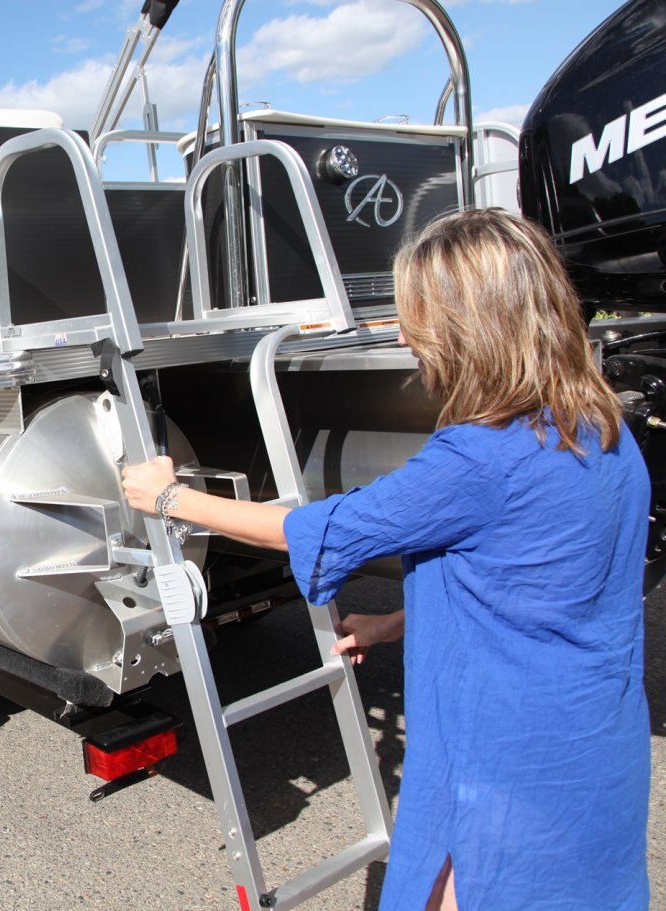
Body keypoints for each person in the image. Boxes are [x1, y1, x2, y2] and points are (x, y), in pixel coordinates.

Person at [122, 208, 649, 910]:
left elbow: (314, 527)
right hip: (593, 745)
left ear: (473, 328)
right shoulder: (603, 426)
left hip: (504, 764)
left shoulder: (477, 459)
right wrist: (396, 622)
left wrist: (169, 498)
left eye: (419, 319)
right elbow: (536, 585)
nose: (404, 336)